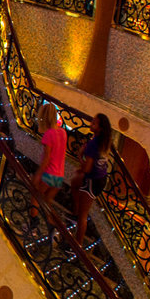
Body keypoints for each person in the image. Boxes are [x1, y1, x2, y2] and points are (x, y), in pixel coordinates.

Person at [70, 113, 113, 245]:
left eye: (94, 123)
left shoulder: (94, 144)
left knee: (83, 215)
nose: (90, 124)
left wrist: (80, 155)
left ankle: (77, 246)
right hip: (101, 178)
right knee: (75, 182)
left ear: (100, 128)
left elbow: (87, 169)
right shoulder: (103, 141)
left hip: (93, 180)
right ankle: (75, 211)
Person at [32, 101, 68, 226]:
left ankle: (32, 224)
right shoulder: (63, 133)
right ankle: (54, 225)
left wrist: (38, 175)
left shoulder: (48, 134)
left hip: (49, 173)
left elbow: (46, 158)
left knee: (36, 196)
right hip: (59, 176)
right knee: (47, 202)